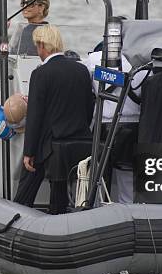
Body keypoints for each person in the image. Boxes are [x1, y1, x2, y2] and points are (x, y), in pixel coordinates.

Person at [14, 25, 94, 214]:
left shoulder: (41, 73)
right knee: (59, 196)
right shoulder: (81, 70)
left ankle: (16, 216)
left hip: (50, 145)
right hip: (79, 142)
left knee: (25, 190)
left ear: (42, 45)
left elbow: (35, 116)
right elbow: (89, 107)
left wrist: (29, 152)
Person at [84, 51, 148, 203]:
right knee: (126, 181)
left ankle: (95, 211)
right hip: (133, 127)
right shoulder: (144, 61)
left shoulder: (94, 59)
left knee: (97, 177)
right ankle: (126, 215)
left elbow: (88, 91)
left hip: (103, 125)